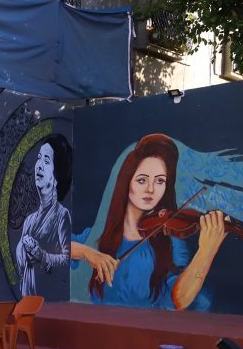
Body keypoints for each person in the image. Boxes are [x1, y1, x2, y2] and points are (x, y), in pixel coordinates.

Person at [71, 133, 226, 310]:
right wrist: (87, 253)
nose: (151, 189)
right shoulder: (98, 236)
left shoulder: (171, 243)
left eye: (160, 181)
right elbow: (56, 248)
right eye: (142, 180)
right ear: (126, 182)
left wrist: (206, 252)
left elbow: (179, 300)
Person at [17, 135, 72, 297]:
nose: (39, 166)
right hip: (25, 303)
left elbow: (67, 264)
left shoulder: (62, 216)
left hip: (47, 305)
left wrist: (41, 255)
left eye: (46, 161)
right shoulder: (29, 221)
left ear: (57, 176)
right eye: (39, 158)